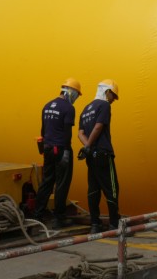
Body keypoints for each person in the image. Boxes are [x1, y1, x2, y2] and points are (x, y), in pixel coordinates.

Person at [34, 78, 81, 226]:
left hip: (48, 148)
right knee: (62, 183)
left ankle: (37, 215)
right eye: (76, 95)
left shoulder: (47, 106)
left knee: (47, 181)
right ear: (71, 92)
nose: (76, 98)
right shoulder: (68, 108)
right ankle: (59, 218)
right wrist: (66, 151)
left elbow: (43, 130)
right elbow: (67, 133)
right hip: (61, 149)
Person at [78, 79, 120, 234]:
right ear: (107, 92)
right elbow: (98, 126)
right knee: (112, 189)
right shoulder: (104, 105)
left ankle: (95, 224)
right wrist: (89, 146)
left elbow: (80, 133)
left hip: (91, 156)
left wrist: (87, 148)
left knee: (93, 189)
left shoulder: (86, 109)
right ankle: (114, 224)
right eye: (113, 96)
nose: (113, 100)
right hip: (103, 153)